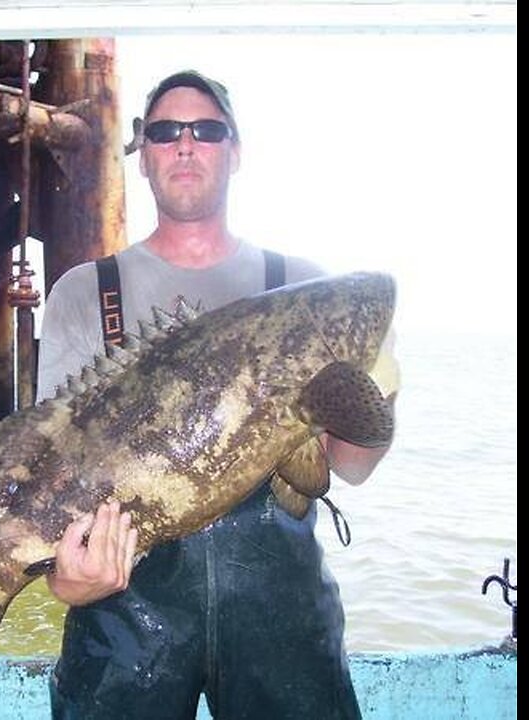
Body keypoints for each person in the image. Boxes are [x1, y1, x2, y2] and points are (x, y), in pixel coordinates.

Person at [35, 70, 401, 719]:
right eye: (165, 131)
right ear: (143, 155)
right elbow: (51, 478)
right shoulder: (84, 294)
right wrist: (68, 580)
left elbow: (351, 465)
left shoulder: (303, 284)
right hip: (124, 619)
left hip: (281, 619)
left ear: (234, 152)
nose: (185, 145)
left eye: (206, 130)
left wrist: (377, 390)